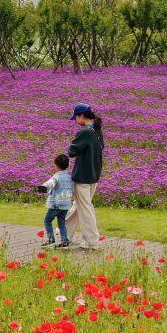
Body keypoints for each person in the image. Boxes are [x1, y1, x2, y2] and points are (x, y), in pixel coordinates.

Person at [65, 103, 104, 249]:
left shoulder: (85, 132)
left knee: (85, 208)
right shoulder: (97, 130)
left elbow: (72, 151)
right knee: (78, 207)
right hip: (94, 174)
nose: (75, 120)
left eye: (76, 117)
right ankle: (64, 235)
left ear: (82, 116)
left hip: (83, 176)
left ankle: (92, 241)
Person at [37, 153, 74, 248]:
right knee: (62, 223)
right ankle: (65, 241)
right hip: (66, 205)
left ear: (56, 165)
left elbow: (50, 183)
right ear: (68, 165)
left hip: (56, 205)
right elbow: (72, 189)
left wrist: (42, 187)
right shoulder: (70, 178)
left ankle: (51, 240)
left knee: (47, 221)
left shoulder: (56, 177)